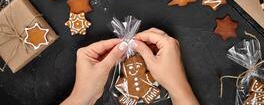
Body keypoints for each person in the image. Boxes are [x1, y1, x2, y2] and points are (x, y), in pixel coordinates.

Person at [62, 28, 199, 105]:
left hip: (146, 92)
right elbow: (120, 82)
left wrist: (81, 98)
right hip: (131, 96)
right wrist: (180, 91)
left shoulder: (148, 75)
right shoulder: (121, 80)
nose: (133, 69)